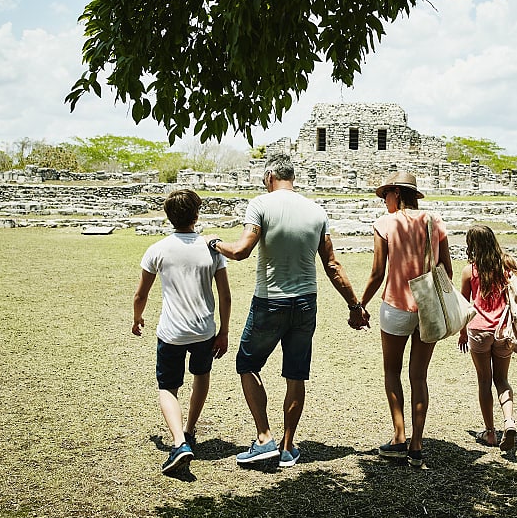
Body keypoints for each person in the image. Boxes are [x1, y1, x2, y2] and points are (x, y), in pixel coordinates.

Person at [208, 153, 368, 468]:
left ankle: (264, 438)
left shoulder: (260, 205)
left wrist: (214, 243)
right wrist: (354, 305)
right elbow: (332, 265)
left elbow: (241, 250)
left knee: (248, 364)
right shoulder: (316, 211)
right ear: (291, 177)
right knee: (296, 374)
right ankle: (287, 446)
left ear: (269, 177)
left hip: (270, 300)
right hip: (306, 302)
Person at [132, 189, 232, 475]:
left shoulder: (158, 249)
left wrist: (137, 318)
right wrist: (223, 330)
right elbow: (224, 295)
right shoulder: (211, 249)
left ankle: (179, 442)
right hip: (204, 329)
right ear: (197, 214)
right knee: (201, 376)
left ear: (168, 216)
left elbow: (141, 294)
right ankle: (188, 430)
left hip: (172, 331)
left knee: (168, 386)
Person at [359, 171, 451, 468]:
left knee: (391, 372)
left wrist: (360, 304)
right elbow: (446, 269)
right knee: (419, 376)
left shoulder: (385, 224)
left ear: (396, 193)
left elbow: (377, 273)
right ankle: (417, 445)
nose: (383, 200)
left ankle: (398, 437)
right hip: (428, 307)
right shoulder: (434, 221)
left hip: (396, 305)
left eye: (385, 194)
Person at [457, 225, 517, 451]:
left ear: (472, 246)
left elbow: (464, 305)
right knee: (502, 379)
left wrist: (462, 333)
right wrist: (516, 269)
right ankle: (509, 422)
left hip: (479, 331)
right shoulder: (507, 267)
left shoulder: (469, 271)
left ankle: (490, 433)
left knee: (484, 381)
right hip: (503, 331)